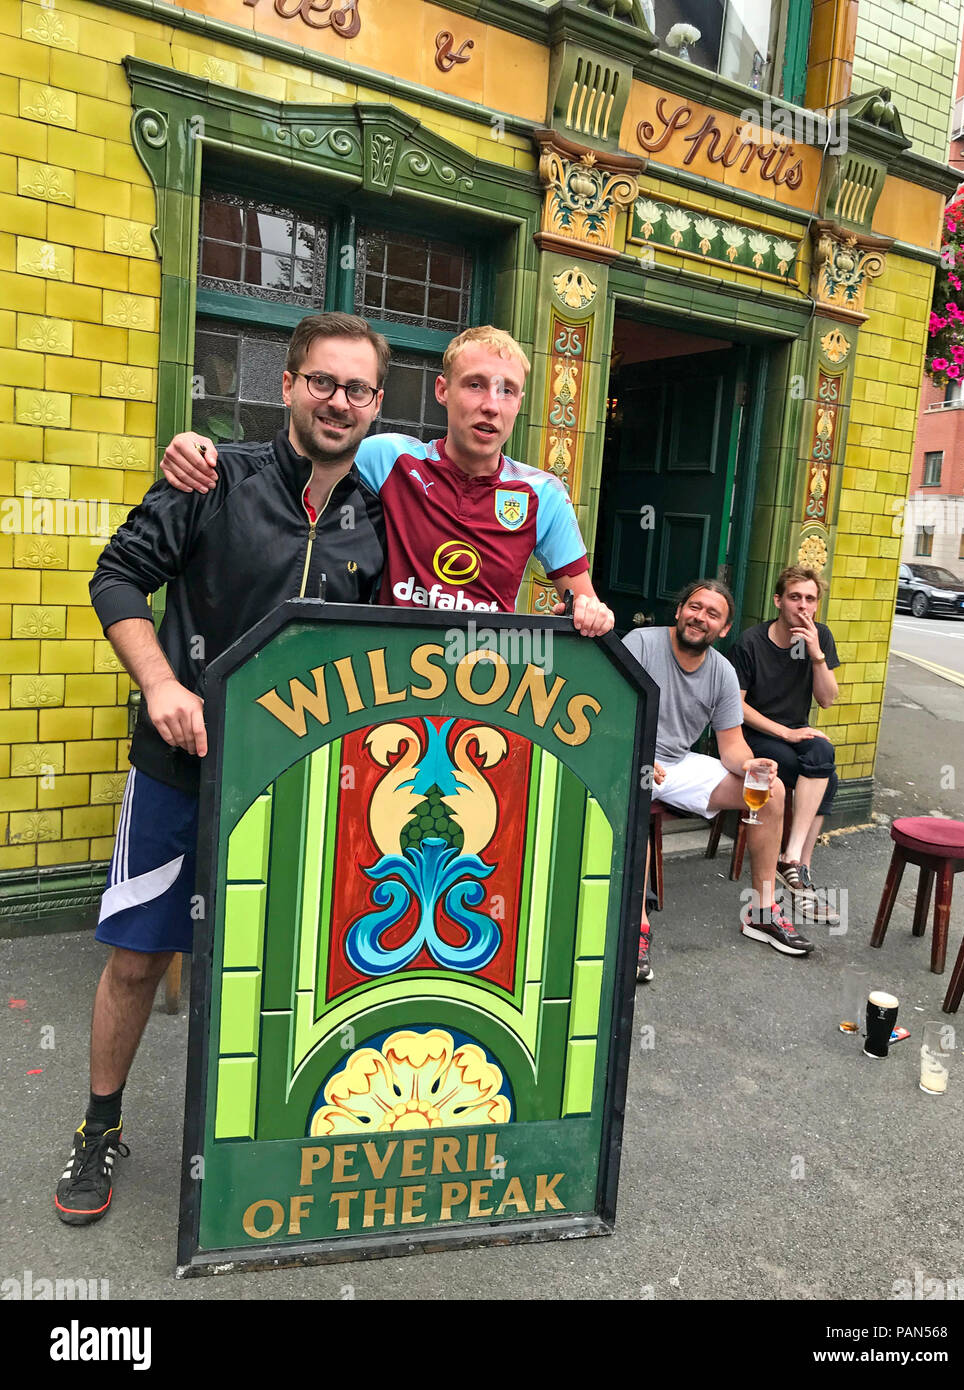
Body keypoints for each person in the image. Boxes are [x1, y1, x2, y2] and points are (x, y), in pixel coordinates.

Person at [56, 312, 390, 1226]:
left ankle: (259, 1139)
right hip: (179, 772)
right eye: (322, 381)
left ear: (377, 405)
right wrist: (161, 683)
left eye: (357, 389)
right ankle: (99, 1127)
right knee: (136, 960)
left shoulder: (377, 516)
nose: (338, 401)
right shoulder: (213, 477)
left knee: (276, 966)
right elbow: (118, 575)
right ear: (286, 385)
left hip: (302, 789)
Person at [159, 325, 614, 637]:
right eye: (475, 384)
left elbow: (581, 602)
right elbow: (299, 458)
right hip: (381, 685)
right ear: (443, 391)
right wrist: (200, 446)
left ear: (518, 403)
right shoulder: (388, 458)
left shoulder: (544, 495)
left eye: (507, 390)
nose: (491, 404)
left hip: (484, 692)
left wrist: (590, 612)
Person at [624, 579, 816, 982]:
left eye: (713, 614)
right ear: (679, 611)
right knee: (637, 792)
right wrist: (635, 752)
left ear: (724, 629)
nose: (700, 618)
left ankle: (763, 911)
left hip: (678, 763)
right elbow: (608, 708)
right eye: (695, 607)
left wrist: (751, 766)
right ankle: (636, 929)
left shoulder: (722, 672)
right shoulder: (641, 643)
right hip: (630, 754)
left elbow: (731, 746)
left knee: (773, 790)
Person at [726, 565, 841, 925]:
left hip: (796, 732)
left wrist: (817, 655)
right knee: (829, 780)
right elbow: (736, 706)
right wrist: (785, 733)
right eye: (795, 597)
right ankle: (800, 877)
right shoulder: (751, 642)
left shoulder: (820, 637)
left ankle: (792, 859)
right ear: (778, 601)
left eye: (810, 599)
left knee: (823, 753)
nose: (802, 606)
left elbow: (827, 700)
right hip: (756, 735)